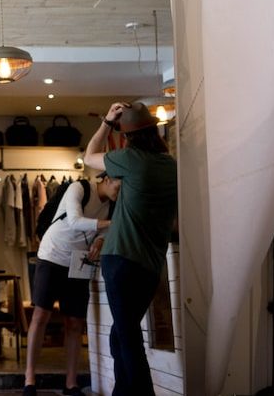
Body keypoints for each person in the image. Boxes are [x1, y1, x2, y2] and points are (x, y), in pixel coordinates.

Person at [82, 102, 178, 396]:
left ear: (129, 137)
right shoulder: (171, 166)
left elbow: (88, 156)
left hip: (120, 259)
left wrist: (107, 122)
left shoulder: (130, 159)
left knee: (128, 338)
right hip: (150, 264)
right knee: (120, 336)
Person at [23, 171, 121, 396]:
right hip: (53, 255)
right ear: (106, 179)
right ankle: (29, 380)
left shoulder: (112, 206)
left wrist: (100, 239)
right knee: (41, 315)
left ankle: (71, 383)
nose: (120, 190)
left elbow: (101, 233)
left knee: (75, 323)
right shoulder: (79, 188)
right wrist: (111, 225)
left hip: (79, 262)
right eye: (119, 185)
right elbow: (76, 221)